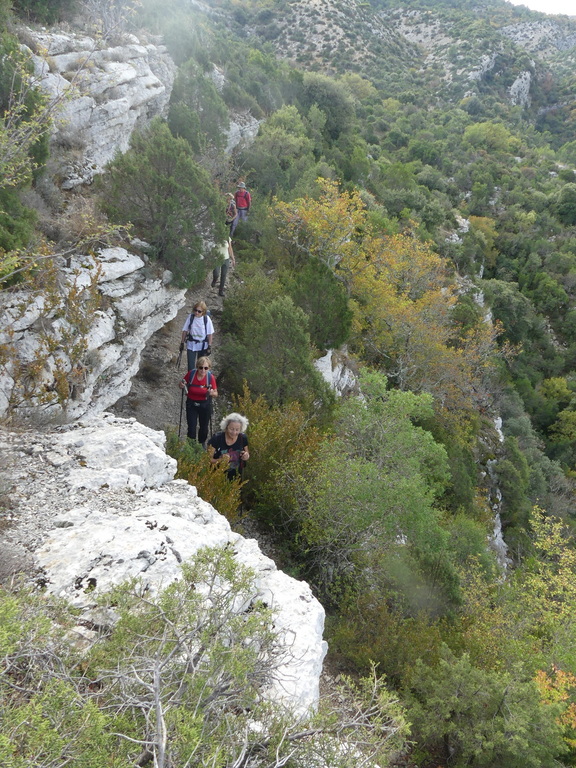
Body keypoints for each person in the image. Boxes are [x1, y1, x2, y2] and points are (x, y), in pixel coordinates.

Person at [180, 356, 217, 445]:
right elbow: (182, 383)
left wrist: (211, 393)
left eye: (206, 368)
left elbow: (216, 393)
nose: (203, 370)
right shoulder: (191, 374)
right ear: (197, 367)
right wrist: (181, 385)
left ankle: (201, 444)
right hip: (191, 404)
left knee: (204, 427)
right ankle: (191, 446)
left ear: (209, 368)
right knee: (191, 427)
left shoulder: (210, 377)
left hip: (205, 404)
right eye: (201, 367)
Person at [208, 412, 249, 480]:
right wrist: (221, 460)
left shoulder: (243, 438)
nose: (234, 432)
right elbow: (208, 460)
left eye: (237, 429)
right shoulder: (216, 438)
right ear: (226, 427)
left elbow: (247, 453)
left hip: (236, 478)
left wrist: (246, 456)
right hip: (217, 477)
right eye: (231, 429)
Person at [180, 301, 214, 371]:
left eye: (199, 311)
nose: (197, 313)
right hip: (191, 345)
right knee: (191, 366)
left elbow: (210, 334)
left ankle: (199, 381)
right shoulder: (190, 317)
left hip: (203, 346)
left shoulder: (206, 319)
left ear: (203, 312)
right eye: (195, 310)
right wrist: (182, 343)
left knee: (201, 366)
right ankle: (191, 380)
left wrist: (209, 346)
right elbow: (185, 331)